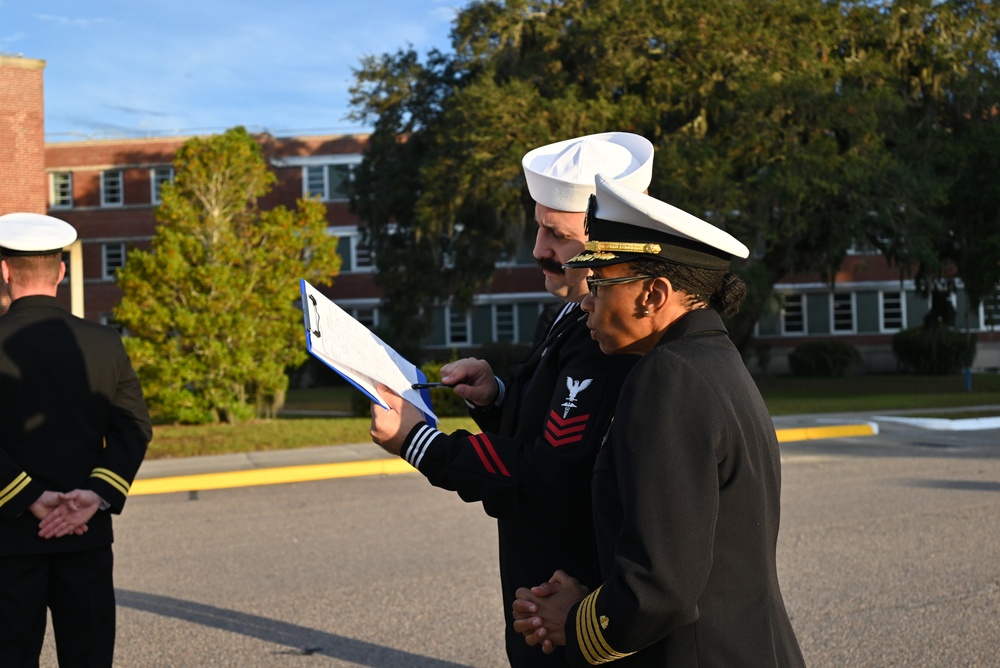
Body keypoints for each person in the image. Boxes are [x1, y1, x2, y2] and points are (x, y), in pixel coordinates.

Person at [369, 133, 653, 666]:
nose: (539, 249)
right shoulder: (569, 311)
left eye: (557, 234)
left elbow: (550, 476)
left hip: (569, 600)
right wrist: (496, 396)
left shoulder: (607, 337)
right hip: (537, 584)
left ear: (607, 242)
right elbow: (552, 427)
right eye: (538, 226)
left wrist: (420, 443)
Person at [512, 175, 806, 667]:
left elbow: (659, 587)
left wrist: (576, 621)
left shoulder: (669, 378)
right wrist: (594, 594)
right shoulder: (713, 361)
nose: (586, 298)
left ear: (653, 295)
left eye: (601, 282)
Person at [0, 212, 152, 667]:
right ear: (61, 272)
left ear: (3, 271)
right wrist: (95, 494)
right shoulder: (105, 342)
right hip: (85, 536)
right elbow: (134, 426)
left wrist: (27, 496)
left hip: (8, 539)